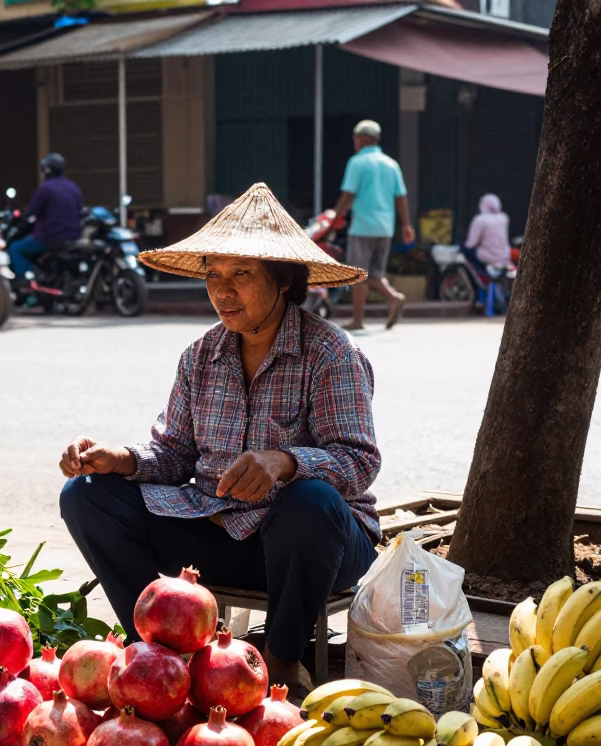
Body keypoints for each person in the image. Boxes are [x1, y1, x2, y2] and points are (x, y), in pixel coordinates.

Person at [58, 183, 381, 702]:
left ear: (284, 281)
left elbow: (359, 462)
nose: (223, 291)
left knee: (312, 500)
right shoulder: (200, 356)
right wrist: (119, 458)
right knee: (87, 495)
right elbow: (173, 455)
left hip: (312, 547)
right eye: (213, 275)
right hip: (216, 536)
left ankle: (279, 660)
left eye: (241, 275)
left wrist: (288, 462)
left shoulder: (331, 353)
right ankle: (162, 653)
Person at [332, 120, 413, 331]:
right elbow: (401, 197)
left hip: (362, 226)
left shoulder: (357, 162)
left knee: (358, 274)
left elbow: (348, 194)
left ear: (361, 139)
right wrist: (406, 225)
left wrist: (334, 218)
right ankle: (393, 298)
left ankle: (359, 319)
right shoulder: (391, 164)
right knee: (375, 273)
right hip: (385, 227)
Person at [7, 153, 83, 284]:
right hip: (73, 237)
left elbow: (31, 211)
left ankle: (29, 282)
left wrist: (19, 219)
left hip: (49, 237)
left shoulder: (46, 188)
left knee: (15, 249)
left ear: (47, 170)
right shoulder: (73, 187)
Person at [462, 193, 512, 279]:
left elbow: (471, 243)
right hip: (505, 256)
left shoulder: (480, 220)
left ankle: (479, 278)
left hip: (486, 257)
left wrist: (463, 248)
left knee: (466, 252)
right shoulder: (504, 218)